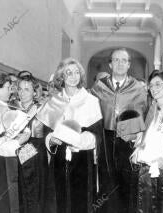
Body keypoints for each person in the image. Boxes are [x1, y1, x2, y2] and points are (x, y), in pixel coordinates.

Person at [36, 58, 103, 213]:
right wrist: (51, 140)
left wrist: (79, 141)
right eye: (69, 73)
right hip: (59, 158)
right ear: (61, 77)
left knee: (81, 203)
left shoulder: (91, 101)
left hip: (82, 159)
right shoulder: (53, 102)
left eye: (77, 72)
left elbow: (97, 135)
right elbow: (45, 133)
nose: (74, 76)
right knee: (59, 200)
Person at [91, 48, 148, 213]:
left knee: (127, 180)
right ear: (110, 64)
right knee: (106, 179)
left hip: (127, 139)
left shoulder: (138, 88)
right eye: (116, 60)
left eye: (124, 60)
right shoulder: (99, 86)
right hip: (105, 138)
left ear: (129, 64)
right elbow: (93, 114)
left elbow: (141, 113)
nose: (120, 64)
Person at [0, 72, 31, 213]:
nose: (15, 91)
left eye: (26, 89)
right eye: (9, 87)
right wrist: (20, 143)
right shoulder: (0, 110)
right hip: (2, 165)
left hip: (15, 162)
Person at [129, 69, 163, 212]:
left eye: (158, 84)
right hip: (147, 167)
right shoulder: (154, 108)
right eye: (151, 85)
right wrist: (138, 148)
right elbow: (148, 136)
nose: (153, 89)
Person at [15, 71, 50, 213]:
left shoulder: (42, 110)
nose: (22, 93)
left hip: (35, 158)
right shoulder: (13, 109)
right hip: (17, 156)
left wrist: (22, 153)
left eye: (27, 89)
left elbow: (45, 137)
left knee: (34, 196)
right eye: (20, 89)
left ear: (35, 92)